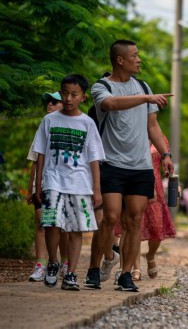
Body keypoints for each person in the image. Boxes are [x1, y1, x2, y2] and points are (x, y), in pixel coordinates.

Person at [86, 39, 174, 292]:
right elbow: (111, 105)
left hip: (141, 166)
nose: (139, 59)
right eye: (134, 55)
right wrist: (146, 97)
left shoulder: (143, 86)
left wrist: (166, 154)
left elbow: (152, 126)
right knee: (111, 217)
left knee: (134, 220)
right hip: (111, 163)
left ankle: (125, 274)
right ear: (120, 60)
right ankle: (93, 269)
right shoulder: (102, 87)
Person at [33, 74, 105, 290]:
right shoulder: (49, 120)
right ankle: (53, 262)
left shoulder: (87, 123)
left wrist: (97, 189)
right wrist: (38, 184)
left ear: (83, 97)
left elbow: (94, 158)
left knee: (75, 229)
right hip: (53, 180)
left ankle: (71, 273)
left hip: (80, 183)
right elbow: (40, 154)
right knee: (52, 223)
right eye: (64, 93)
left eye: (74, 94)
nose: (68, 98)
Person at [26, 91, 70, 282]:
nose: (49, 105)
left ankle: (66, 263)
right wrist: (32, 188)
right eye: (49, 102)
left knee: (62, 227)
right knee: (42, 223)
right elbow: (35, 160)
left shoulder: (77, 125)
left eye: (54, 102)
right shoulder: (44, 126)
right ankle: (41, 264)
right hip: (44, 184)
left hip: (67, 185)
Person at [130, 136, 176, 281]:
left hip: (156, 188)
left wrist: (173, 180)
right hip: (136, 182)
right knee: (134, 225)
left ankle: (150, 255)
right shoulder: (134, 133)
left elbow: (166, 165)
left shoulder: (161, 138)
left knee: (157, 228)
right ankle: (136, 268)